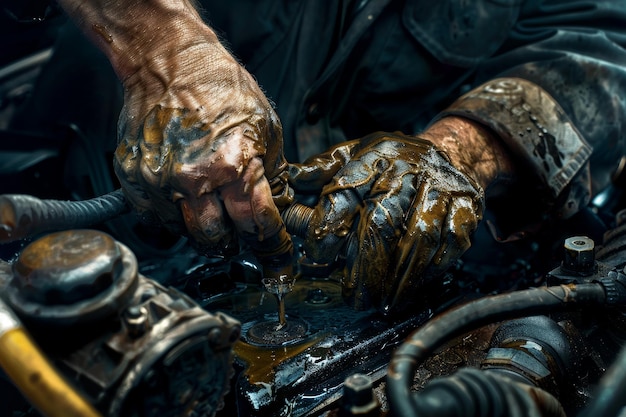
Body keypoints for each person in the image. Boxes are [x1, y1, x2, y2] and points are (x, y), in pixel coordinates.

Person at [43, 0, 626, 312]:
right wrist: (164, 51)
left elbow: (602, 38)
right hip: (116, 230)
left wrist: (457, 152)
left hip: (379, 262)